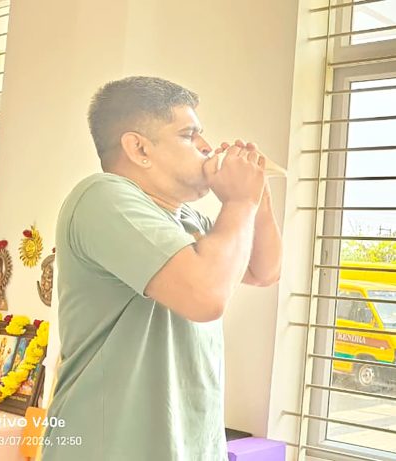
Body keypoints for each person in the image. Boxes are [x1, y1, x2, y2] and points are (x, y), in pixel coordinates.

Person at [42, 76, 283, 461]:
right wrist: (239, 202)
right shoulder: (101, 197)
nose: (206, 146)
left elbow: (263, 270)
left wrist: (257, 195)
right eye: (189, 135)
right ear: (139, 148)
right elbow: (206, 297)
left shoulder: (186, 218)